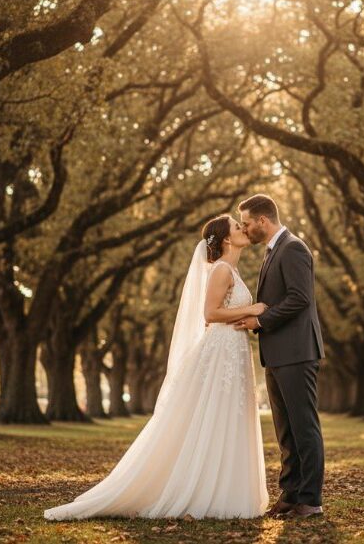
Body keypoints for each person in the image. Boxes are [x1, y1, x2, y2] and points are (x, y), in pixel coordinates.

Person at [44, 214, 269, 520]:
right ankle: (199, 490)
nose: (244, 229)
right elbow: (211, 314)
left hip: (233, 349)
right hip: (220, 352)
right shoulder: (220, 270)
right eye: (237, 226)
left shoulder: (233, 269)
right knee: (214, 415)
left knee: (228, 416)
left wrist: (245, 318)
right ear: (227, 239)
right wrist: (252, 309)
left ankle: (225, 488)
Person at [236, 194, 326, 519]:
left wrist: (260, 320)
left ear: (263, 220)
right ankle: (290, 494)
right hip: (277, 354)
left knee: (304, 427)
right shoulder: (273, 251)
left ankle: (311, 500)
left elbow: (300, 298)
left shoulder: (293, 248)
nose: (244, 229)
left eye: (246, 223)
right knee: (285, 430)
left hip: (297, 352)